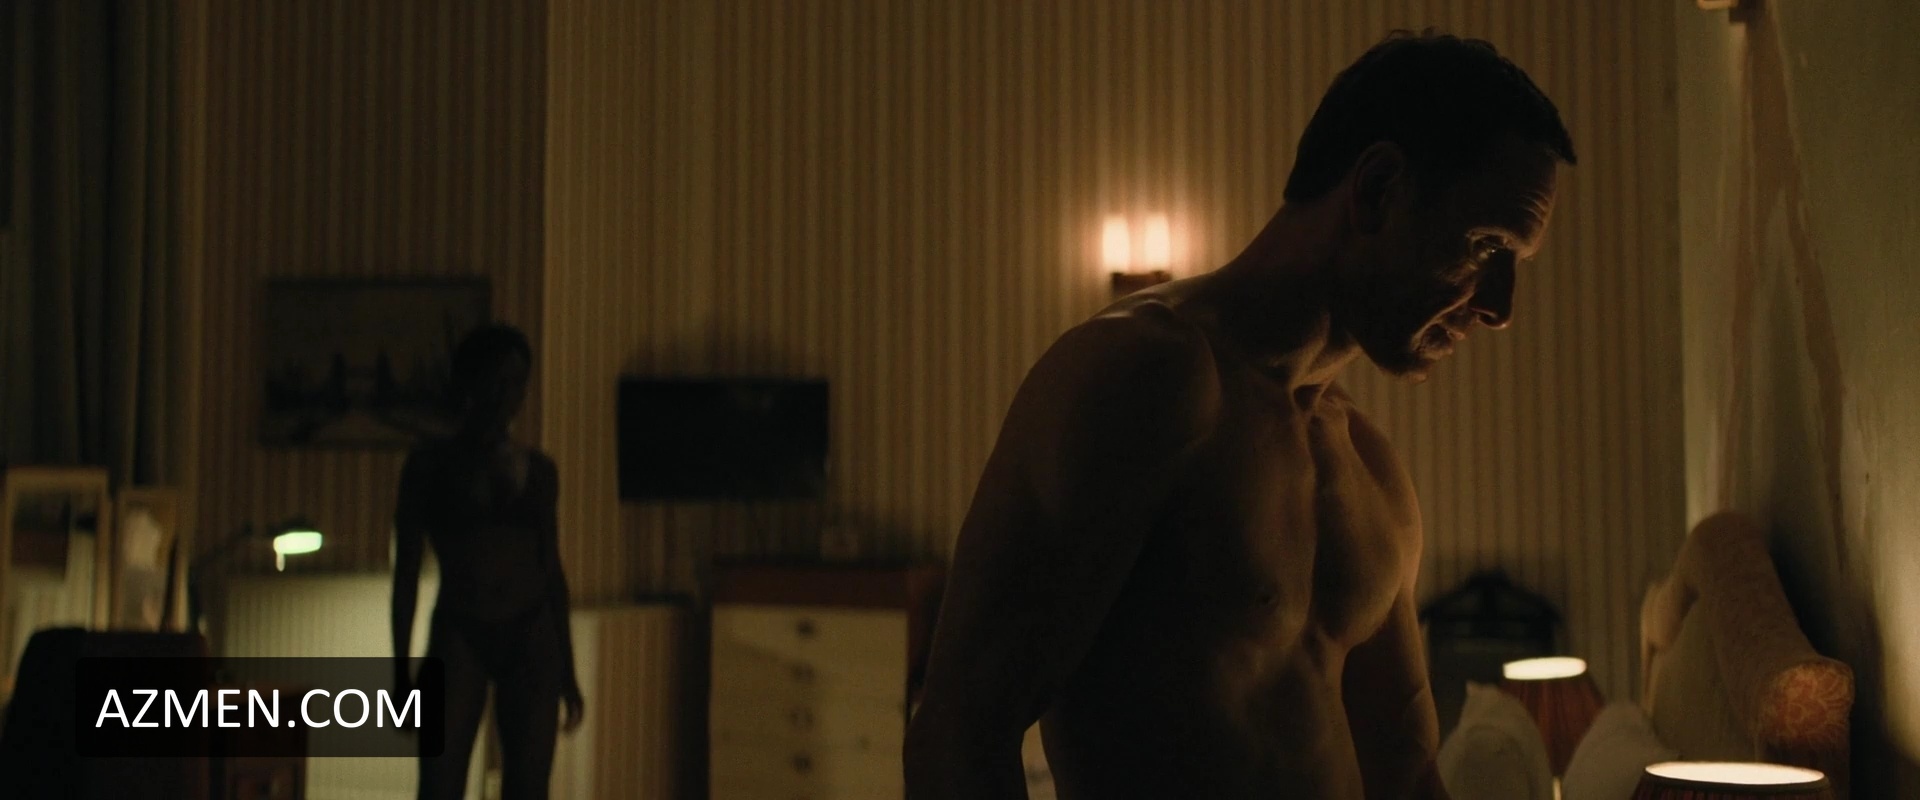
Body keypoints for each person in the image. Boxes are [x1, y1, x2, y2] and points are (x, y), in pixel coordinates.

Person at [904, 31, 1575, 800]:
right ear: (1379, 189)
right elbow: (959, 735)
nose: (1500, 308)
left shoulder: (1370, 464)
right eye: (1486, 247)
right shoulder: (1147, 379)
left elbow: (1407, 771)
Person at [392, 323, 584, 800]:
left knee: (528, 788)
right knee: (439, 786)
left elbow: (551, 569)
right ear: (470, 382)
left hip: (532, 630)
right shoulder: (428, 467)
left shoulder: (540, 471)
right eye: (496, 380)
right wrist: (400, 671)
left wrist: (568, 670)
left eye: (517, 382)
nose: (506, 394)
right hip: (461, 628)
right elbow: (406, 573)